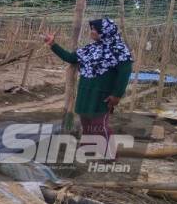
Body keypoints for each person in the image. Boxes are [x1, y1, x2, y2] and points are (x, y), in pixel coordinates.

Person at [44, 18, 133, 157]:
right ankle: (88, 150)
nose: (92, 32)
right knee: (86, 125)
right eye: (92, 29)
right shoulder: (90, 49)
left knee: (99, 126)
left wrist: (117, 95)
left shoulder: (120, 51)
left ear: (106, 32)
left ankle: (110, 156)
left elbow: (124, 73)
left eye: (95, 30)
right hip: (85, 93)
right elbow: (70, 57)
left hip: (102, 96)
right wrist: (53, 44)